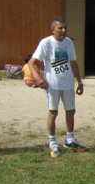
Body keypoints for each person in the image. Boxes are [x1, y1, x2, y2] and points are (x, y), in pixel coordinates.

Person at [28, 17, 86, 158]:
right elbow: (31, 62)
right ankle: (53, 143)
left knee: (70, 111)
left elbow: (73, 63)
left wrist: (79, 81)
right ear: (53, 29)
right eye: (60, 28)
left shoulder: (69, 43)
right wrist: (38, 78)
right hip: (52, 84)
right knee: (53, 112)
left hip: (67, 84)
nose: (63, 31)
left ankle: (70, 140)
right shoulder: (46, 43)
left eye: (65, 28)